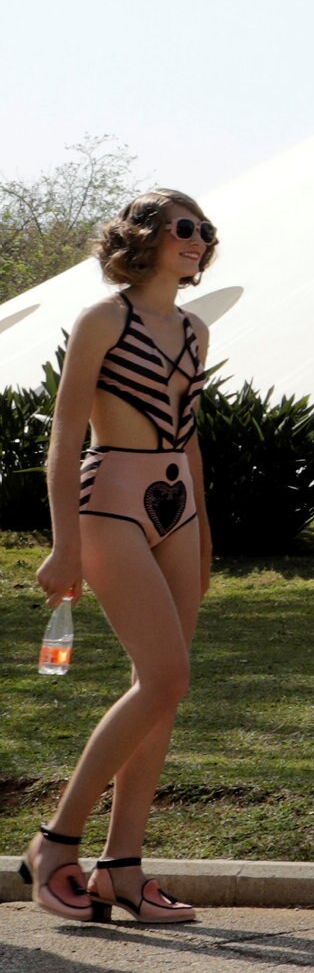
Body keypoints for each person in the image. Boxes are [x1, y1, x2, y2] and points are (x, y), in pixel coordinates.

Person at [22, 191, 222, 927]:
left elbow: (191, 436)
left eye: (204, 229)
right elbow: (65, 433)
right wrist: (63, 541)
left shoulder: (196, 328)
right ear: (145, 237)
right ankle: (54, 842)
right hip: (109, 500)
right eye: (185, 228)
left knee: (160, 690)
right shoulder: (103, 318)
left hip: (180, 507)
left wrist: (205, 536)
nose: (198, 238)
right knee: (166, 678)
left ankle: (123, 867)